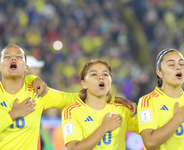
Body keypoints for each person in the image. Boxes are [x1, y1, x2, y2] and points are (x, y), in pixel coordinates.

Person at [0, 44, 137, 150]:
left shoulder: (38, 92)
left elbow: (76, 97)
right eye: (7, 56)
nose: (13, 58)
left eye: (18, 56)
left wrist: (111, 98)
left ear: (26, 68)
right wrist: (14, 114)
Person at [62, 59, 139, 150]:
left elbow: (151, 131)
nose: (101, 77)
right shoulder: (72, 111)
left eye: (105, 74)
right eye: (94, 74)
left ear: (110, 83)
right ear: (84, 84)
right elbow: (74, 148)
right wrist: (104, 127)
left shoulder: (121, 110)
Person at [137, 48, 184, 150]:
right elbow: (150, 142)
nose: (178, 67)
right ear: (159, 73)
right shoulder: (148, 101)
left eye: (182, 64)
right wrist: (178, 118)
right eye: (171, 65)